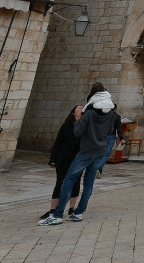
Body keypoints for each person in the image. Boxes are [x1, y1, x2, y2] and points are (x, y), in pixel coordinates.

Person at [40, 85, 117, 225]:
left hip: (86, 152)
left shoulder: (90, 114)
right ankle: (78, 213)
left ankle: (57, 215)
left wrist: (77, 119)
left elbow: (77, 132)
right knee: (88, 183)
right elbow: (110, 130)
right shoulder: (111, 115)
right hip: (99, 152)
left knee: (68, 181)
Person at [41, 105, 82, 221]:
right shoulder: (66, 126)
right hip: (64, 159)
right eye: (78, 108)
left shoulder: (84, 127)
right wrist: (52, 159)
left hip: (78, 159)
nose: (81, 109)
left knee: (76, 184)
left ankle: (71, 209)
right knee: (60, 183)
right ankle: (53, 210)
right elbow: (57, 143)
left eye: (82, 108)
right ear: (73, 112)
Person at [95, 104, 121, 179]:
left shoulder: (104, 116)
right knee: (106, 154)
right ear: (115, 109)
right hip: (111, 136)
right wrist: (121, 138)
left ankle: (95, 167)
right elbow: (118, 129)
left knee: (99, 152)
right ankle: (99, 168)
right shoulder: (117, 117)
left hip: (102, 135)